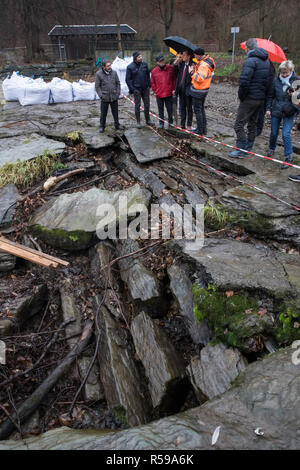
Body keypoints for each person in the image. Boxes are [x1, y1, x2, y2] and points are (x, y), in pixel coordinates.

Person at [229, 38, 270, 157]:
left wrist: (241, 96)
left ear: (247, 48)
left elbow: (245, 81)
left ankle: (241, 149)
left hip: (250, 98)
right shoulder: (266, 61)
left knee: (239, 124)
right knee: (253, 124)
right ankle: (248, 149)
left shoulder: (250, 61)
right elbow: (268, 81)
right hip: (260, 98)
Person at [266, 60, 300, 169]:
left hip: (289, 110)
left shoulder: (296, 81)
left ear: (291, 71)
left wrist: (292, 94)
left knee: (285, 134)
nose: (284, 74)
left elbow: (298, 101)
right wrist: (268, 108)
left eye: (286, 72)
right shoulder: (276, 81)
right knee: (274, 132)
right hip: (277, 109)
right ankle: (271, 148)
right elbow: (270, 96)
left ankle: (288, 157)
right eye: (282, 72)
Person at [189, 47, 215, 136]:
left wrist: (192, 72)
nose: (194, 57)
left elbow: (200, 78)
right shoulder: (207, 61)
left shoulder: (203, 65)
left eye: (195, 55)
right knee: (201, 109)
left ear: (199, 55)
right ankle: (203, 129)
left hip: (199, 90)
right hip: (203, 89)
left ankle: (200, 130)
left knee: (198, 110)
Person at [125, 51, 154, 128]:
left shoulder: (144, 64)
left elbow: (148, 75)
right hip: (136, 89)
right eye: (139, 57)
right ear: (135, 58)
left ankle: (148, 120)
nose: (141, 58)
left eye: (141, 56)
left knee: (147, 105)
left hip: (145, 88)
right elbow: (128, 80)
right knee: (137, 105)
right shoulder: (130, 67)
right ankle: (138, 122)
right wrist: (132, 89)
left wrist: (149, 85)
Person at [95, 60, 124, 133]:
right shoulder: (99, 74)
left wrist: (117, 93)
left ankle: (117, 125)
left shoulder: (114, 73)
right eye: (108, 66)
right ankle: (102, 126)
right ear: (103, 67)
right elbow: (97, 86)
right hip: (105, 97)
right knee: (103, 113)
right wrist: (101, 96)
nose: (109, 67)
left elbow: (118, 83)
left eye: (110, 65)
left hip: (114, 96)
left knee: (115, 112)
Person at [151, 54, 176, 129]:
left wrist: (173, 89)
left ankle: (171, 122)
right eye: (160, 61)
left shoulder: (170, 68)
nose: (162, 62)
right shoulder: (154, 71)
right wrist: (155, 90)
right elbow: (152, 82)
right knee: (160, 109)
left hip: (169, 93)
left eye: (163, 60)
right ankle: (161, 123)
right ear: (157, 63)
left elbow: (174, 79)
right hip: (159, 94)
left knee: (170, 109)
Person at [173, 50, 194, 130]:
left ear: (189, 56)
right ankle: (182, 124)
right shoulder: (181, 64)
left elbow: (194, 77)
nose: (183, 56)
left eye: (184, 55)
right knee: (182, 108)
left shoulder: (192, 65)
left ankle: (189, 125)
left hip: (188, 90)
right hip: (180, 90)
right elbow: (174, 73)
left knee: (189, 108)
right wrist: (176, 63)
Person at [256, 61, 276, 136]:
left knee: (260, 111)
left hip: (264, 92)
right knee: (260, 111)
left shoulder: (268, 66)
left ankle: (258, 129)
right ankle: (257, 128)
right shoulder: (271, 66)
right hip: (265, 91)